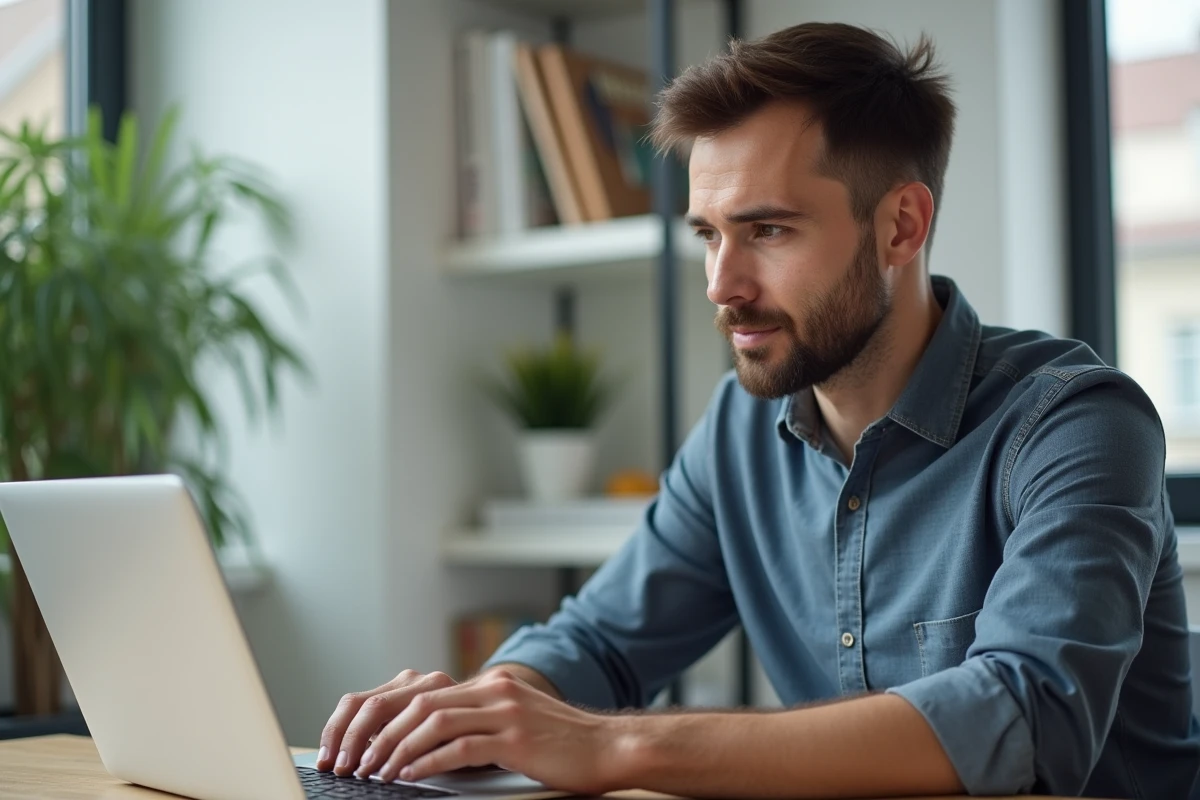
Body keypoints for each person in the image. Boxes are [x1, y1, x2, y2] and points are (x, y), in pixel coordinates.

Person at [315, 22, 1200, 798]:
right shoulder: (742, 429)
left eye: (768, 231)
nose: (721, 286)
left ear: (900, 226)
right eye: (709, 234)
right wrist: (480, 712)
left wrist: (614, 743)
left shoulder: (1078, 424)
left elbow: (1023, 717)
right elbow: (602, 643)